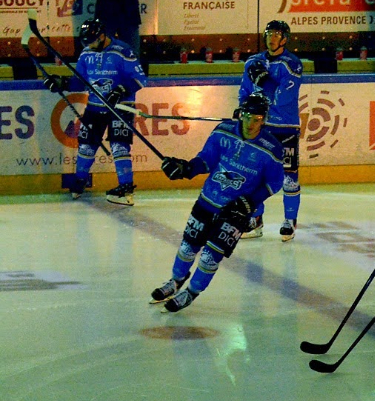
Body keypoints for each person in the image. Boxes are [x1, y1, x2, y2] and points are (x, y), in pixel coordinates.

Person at [150, 94, 285, 312]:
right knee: (187, 247)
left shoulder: (272, 149)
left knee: (210, 258)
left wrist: (250, 202)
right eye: (247, 116)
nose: (251, 123)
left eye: (257, 119)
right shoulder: (223, 131)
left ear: (264, 119)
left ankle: (192, 292)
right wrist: (187, 168)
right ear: (241, 114)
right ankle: (175, 281)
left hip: (236, 213)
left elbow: (275, 182)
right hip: (208, 200)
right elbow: (206, 160)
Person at [42, 19, 146, 205]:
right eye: (86, 42)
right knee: (86, 146)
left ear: (102, 36)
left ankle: (126, 187)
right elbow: (80, 81)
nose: (89, 45)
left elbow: (140, 79)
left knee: (119, 146)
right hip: (95, 107)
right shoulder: (86, 53)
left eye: (92, 41)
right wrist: (62, 83)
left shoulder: (123, 51)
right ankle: (79, 181)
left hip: (120, 108)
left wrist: (121, 90)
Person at [239, 21, 303, 241]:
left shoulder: (292, 64)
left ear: (284, 38)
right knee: (254, 175)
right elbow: (245, 91)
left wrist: (264, 81)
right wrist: (243, 110)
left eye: (276, 34)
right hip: (260, 127)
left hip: (285, 128)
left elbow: (283, 98)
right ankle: (256, 219)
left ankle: (289, 220)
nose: (271, 38)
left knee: (289, 177)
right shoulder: (253, 61)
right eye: (268, 34)